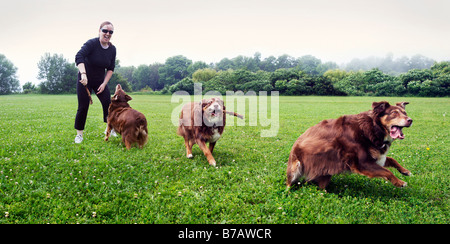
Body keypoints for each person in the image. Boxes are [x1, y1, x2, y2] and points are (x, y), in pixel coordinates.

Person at [74, 21, 117, 143]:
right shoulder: (92, 43)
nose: (107, 33)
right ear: (99, 31)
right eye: (105, 30)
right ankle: (79, 135)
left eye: (110, 32)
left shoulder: (112, 49)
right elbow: (79, 56)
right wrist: (83, 74)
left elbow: (110, 68)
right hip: (84, 79)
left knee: (108, 105)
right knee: (83, 106)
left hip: (100, 81)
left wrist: (104, 84)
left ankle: (109, 129)